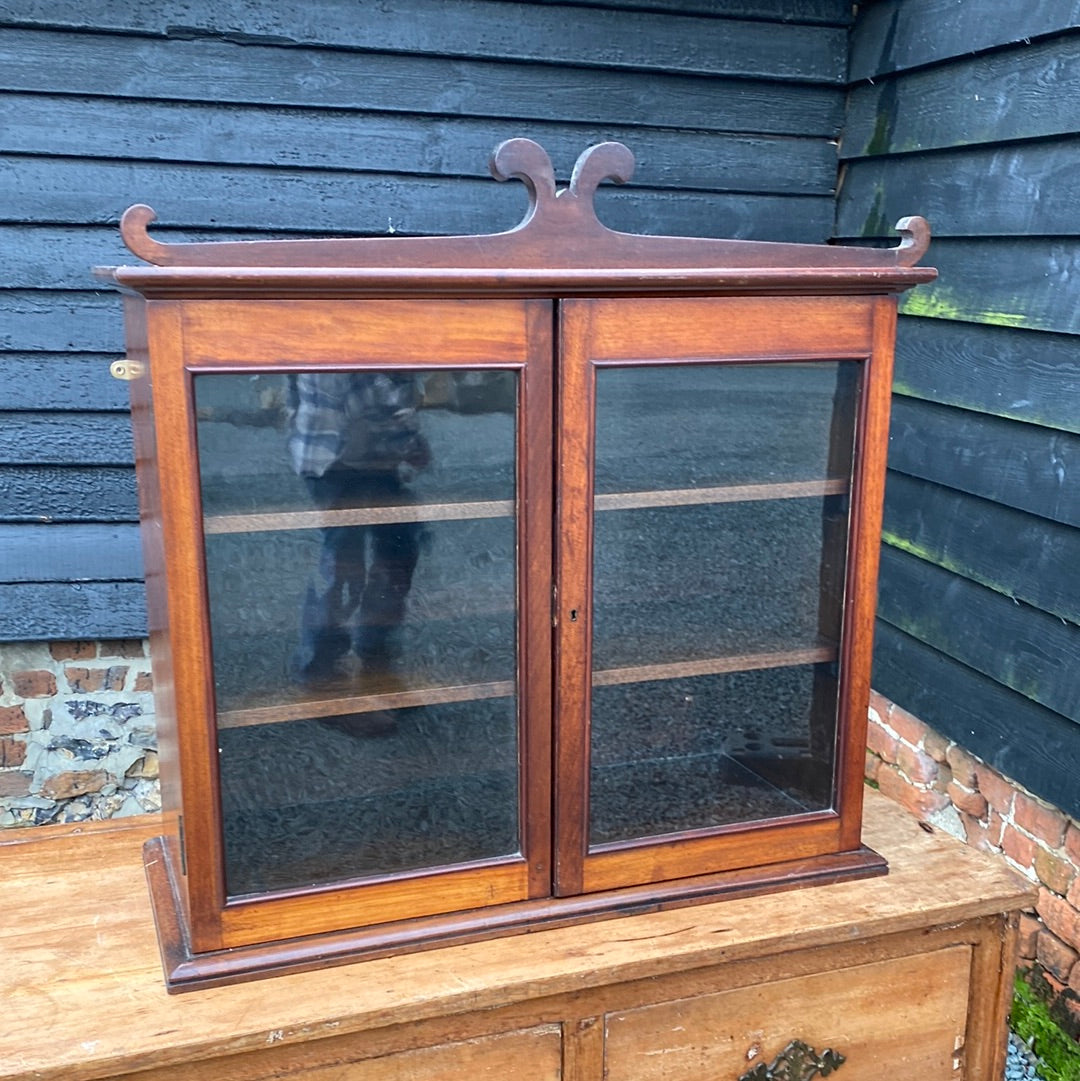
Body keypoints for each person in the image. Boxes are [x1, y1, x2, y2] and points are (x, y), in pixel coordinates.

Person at [287, 371, 430, 688]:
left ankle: (377, 662)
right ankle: (321, 675)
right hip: (336, 458)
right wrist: (407, 435)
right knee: (343, 567)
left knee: (398, 555)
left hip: (377, 456)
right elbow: (363, 403)